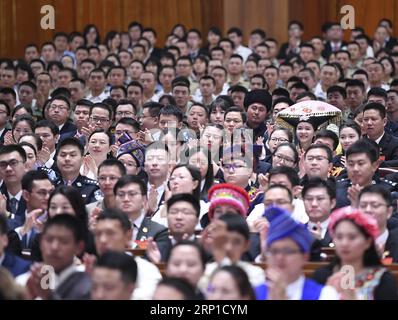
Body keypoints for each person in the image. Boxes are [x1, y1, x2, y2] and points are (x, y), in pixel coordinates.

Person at [311, 206, 398, 300]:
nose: (344, 243)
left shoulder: (383, 280)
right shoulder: (321, 276)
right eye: (339, 237)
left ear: (368, 242)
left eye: (352, 237)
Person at [255, 206, 339, 300]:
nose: (279, 257)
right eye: (274, 251)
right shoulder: (251, 294)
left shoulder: (325, 294)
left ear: (305, 256)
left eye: (288, 251)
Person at [17, 214, 92, 300]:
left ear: (79, 247)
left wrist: (48, 296)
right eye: (49, 240)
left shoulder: (89, 285)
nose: (54, 247)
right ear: (41, 243)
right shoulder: (23, 281)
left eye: (64, 241)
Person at [93, 209, 162, 300]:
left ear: (128, 236)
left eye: (110, 233)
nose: (103, 240)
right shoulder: (84, 269)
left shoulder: (147, 271)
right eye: (98, 234)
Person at [198, 213, 265, 291]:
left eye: (236, 242)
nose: (228, 247)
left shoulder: (256, 274)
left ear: (246, 245)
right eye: (223, 240)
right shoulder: (205, 272)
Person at [114, 175, 168, 247]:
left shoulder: (158, 231)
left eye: (132, 194)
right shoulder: (106, 229)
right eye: (121, 195)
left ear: (144, 199)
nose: (126, 199)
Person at [358, 185, 398, 263]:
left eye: (375, 205)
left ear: (389, 212)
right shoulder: (348, 241)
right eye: (363, 206)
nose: (368, 210)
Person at [0, 144, 28, 229]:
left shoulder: (36, 193)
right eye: (3, 164)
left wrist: (7, 215)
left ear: (25, 166)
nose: (8, 168)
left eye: (13, 163)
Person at [362, 102, 398, 167]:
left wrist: (372, 164)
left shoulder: (395, 143)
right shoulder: (358, 142)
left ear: (384, 122)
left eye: (373, 119)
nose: (369, 123)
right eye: (366, 119)